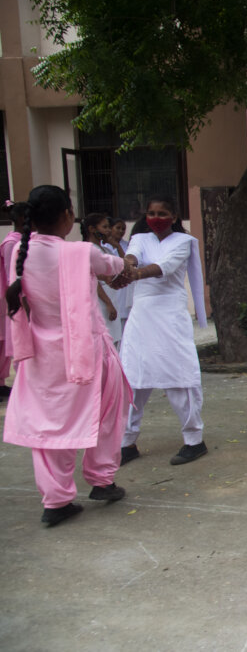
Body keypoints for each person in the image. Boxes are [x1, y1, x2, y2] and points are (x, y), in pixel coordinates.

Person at [2, 185, 131, 526]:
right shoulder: (79, 253)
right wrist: (128, 260)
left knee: (48, 426)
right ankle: (102, 480)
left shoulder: (17, 251)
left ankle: (56, 502)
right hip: (85, 349)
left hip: (40, 355)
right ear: (67, 216)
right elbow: (114, 265)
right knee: (105, 412)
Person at [118, 197, 209, 466]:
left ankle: (194, 440)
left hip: (169, 315)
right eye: (151, 213)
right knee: (132, 378)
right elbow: (131, 257)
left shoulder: (183, 241)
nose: (156, 217)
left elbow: (165, 267)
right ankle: (127, 442)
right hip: (141, 314)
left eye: (162, 213)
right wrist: (128, 265)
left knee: (178, 377)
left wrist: (135, 274)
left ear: (174, 215)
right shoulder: (140, 239)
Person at [0, 200, 30, 398]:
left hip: (22, 298)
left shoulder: (25, 239)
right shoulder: (12, 242)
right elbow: (14, 276)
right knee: (14, 343)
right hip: (12, 299)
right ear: (21, 219)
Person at [81, 213, 122, 346]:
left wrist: (117, 246)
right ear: (92, 229)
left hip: (111, 297)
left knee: (114, 339)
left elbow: (126, 266)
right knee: (105, 339)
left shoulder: (105, 249)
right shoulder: (89, 249)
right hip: (101, 301)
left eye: (109, 227)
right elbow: (91, 278)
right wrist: (108, 303)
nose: (108, 230)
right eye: (104, 227)